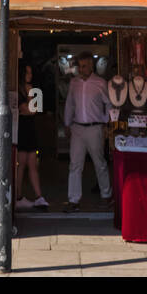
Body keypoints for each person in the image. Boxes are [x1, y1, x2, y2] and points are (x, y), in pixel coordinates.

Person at [63, 50, 112, 211]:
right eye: (81, 66)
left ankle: (106, 195)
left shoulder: (100, 83)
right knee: (75, 164)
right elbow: (70, 103)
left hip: (94, 127)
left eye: (85, 65)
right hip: (77, 127)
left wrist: (106, 123)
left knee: (100, 162)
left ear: (91, 66)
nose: (83, 68)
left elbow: (108, 103)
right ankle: (73, 200)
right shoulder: (74, 83)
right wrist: (67, 123)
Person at [15, 61, 48, 210]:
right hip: (21, 127)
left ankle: (39, 196)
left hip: (31, 126)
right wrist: (29, 104)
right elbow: (28, 109)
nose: (30, 75)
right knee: (21, 163)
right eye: (27, 72)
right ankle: (18, 196)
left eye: (31, 72)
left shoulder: (34, 89)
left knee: (32, 162)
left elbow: (36, 109)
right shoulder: (18, 90)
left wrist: (29, 105)